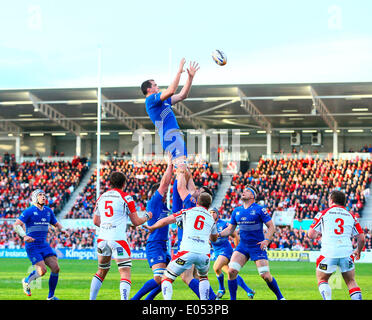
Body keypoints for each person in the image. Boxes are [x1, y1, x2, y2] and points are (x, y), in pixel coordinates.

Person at [89, 171, 152, 300]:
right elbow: (136, 221)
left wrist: (109, 226)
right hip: (118, 239)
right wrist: (147, 216)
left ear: (110, 183)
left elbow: (96, 221)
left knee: (101, 271)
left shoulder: (101, 197)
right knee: (124, 273)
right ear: (124, 183)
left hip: (102, 239)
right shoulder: (126, 197)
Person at [146, 192, 218, 300]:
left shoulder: (187, 212)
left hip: (187, 251)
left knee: (167, 277)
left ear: (197, 202)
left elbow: (166, 220)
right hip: (204, 253)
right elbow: (214, 238)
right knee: (203, 277)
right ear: (209, 205)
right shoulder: (211, 219)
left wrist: (153, 227)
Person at [218, 184, 285, 300]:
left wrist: (266, 240)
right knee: (231, 271)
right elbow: (230, 229)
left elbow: (271, 227)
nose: (243, 192)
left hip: (257, 246)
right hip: (243, 246)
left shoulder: (259, 209)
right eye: (243, 190)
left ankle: (280, 297)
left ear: (252, 196)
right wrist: (217, 235)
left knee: (265, 275)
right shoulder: (236, 211)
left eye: (247, 191)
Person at [307, 190, 366, 300]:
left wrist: (320, 234)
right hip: (346, 253)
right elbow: (361, 238)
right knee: (351, 281)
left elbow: (311, 234)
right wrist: (358, 250)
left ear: (331, 200)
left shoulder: (323, 213)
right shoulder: (351, 216)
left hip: (329, 253)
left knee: (322, 279)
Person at [141, 58, 199, 168]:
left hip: (175, 135)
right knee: (182, 171)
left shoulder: (162, 100)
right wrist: (179, 72)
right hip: (171, 136)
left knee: (185, 172)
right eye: (155, 85)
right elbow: (171, 90)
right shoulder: (151, 99)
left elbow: (182, 95)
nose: (157, 86)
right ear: (148, 90)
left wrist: (190, 78)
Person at [131, 154, 173, 300]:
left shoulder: (163, 206)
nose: (166, 193)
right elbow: (164, 183)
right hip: (155, 244)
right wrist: (170, 165)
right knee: (159, 278)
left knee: (167, 280)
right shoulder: (154, 202)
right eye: (164, 192)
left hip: (162, 245)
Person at [172, 168, 217, 300]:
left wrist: (180, 169)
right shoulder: (202, 208)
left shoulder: (191, 202)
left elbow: (182, 187)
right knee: (200, 277)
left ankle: (211, 300)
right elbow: (191, 184)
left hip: (188, 244)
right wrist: (187, 170)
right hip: (200, 247)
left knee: (186, 277)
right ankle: (213, 298)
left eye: (199, 191)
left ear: (202, 197)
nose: (196, 191)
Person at [13, 189, 66, 300]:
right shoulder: (29, 211)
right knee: (42, 271)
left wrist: (63, 230)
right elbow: (16, 225)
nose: (43, 197)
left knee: (56, 268)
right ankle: (27, 280)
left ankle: (50, 297)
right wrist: (24, 236)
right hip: (32, 246)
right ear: (34, 198)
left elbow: (55, 223)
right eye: (40, 195)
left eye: (44, 195)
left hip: (44, 244)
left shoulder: (48, 211)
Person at [209, 207, 255, 300]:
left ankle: (221, 289)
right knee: (231, 273)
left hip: (225, 250)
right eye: (210, 212)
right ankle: (249, 290)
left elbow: (235, 235)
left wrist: (237, 249)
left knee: (216, 267)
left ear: (217, 214)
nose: (212, 214)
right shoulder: (207, 224)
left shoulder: (223, 223)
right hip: (217, 252)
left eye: (214, 212)